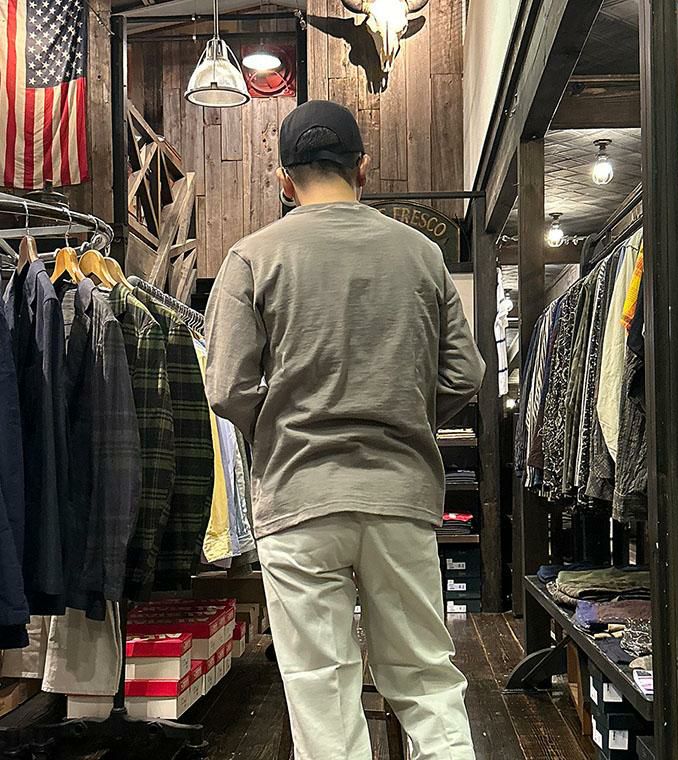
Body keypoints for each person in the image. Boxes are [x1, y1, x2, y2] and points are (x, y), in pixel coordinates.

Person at [205, 100, 484, 760]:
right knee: (426, 682)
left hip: (299, 498)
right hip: (401, 495)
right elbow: (465, 373)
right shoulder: (421, 254)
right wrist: (405, 414)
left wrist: (281, 429)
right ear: (363, 169)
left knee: (322, 692)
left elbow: (226, 387)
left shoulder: (251, 257)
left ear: (283, 179)